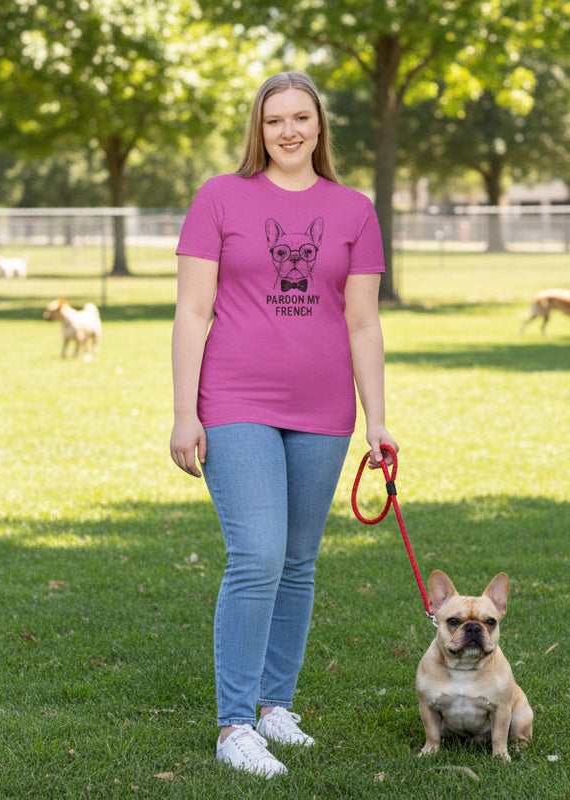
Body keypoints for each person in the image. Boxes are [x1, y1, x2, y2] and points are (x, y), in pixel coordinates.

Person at [169, 70, 398, 778]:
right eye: (275, 120)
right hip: (235, 399)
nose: (289, 131)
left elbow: (363, 323)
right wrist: (183, 413)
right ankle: (234, 726)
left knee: (298, 563)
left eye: (301, 117)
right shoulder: (220, 197)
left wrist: (378, 421)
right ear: (258, 129)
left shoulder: (354, 210)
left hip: (324, 409)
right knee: (258, 555)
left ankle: (275, 708)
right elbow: (192, 312)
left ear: (320, 125)